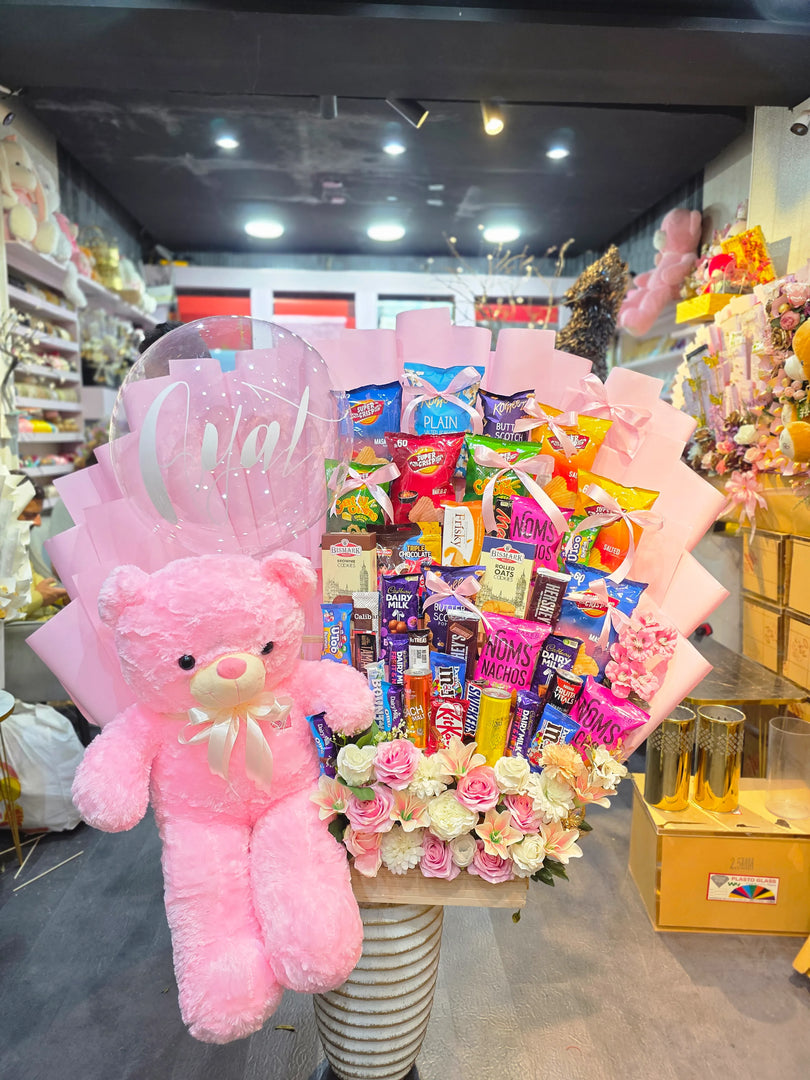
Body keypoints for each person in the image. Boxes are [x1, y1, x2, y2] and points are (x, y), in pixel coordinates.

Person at [17, 478, 68, 618]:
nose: (38, 522)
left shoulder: (17, 547)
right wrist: (39, 597)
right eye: (29, 515)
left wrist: (62, 596)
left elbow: (34, 580)